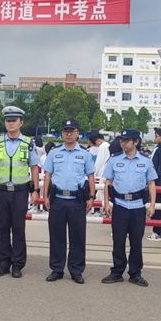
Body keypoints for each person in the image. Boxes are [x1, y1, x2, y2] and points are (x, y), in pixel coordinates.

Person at [0, 106, 40, 278]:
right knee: (1, 228)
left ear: (21, 122)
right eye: (8, 120)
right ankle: (4, 263)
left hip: (20, 191)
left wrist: (35, 190)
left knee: (18, 228)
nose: (10, 123)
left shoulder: (28, 143)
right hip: (1, 191)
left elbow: (34, 167)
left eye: (14, 120)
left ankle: (17, 264)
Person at [101, 129, 157, 287]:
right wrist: (106, 203)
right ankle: (117, 272)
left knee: (136, 242)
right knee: (118, 241)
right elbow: (108, 183)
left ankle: (135, 273)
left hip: (138, 206)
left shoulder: (145, 161)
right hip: (120, 205)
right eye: (122, 140)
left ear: (136, 142)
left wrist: (152, 205)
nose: (123, 143)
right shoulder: (114, 160)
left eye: (126, 140)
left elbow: (151, 183)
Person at [42, 119, 96, 284]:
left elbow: (91, 176)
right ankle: (57, 269)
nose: (69, 134)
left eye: (72, 131)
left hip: (76, 201)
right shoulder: (54, 153)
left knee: (77, 237)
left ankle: (76, 270)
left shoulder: (85, 154)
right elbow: (48, 175)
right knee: (56, 236)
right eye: (66, 131)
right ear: (62, 133)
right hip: (58, 200)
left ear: (78, 133)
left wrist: (91, 197)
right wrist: (45, 196)